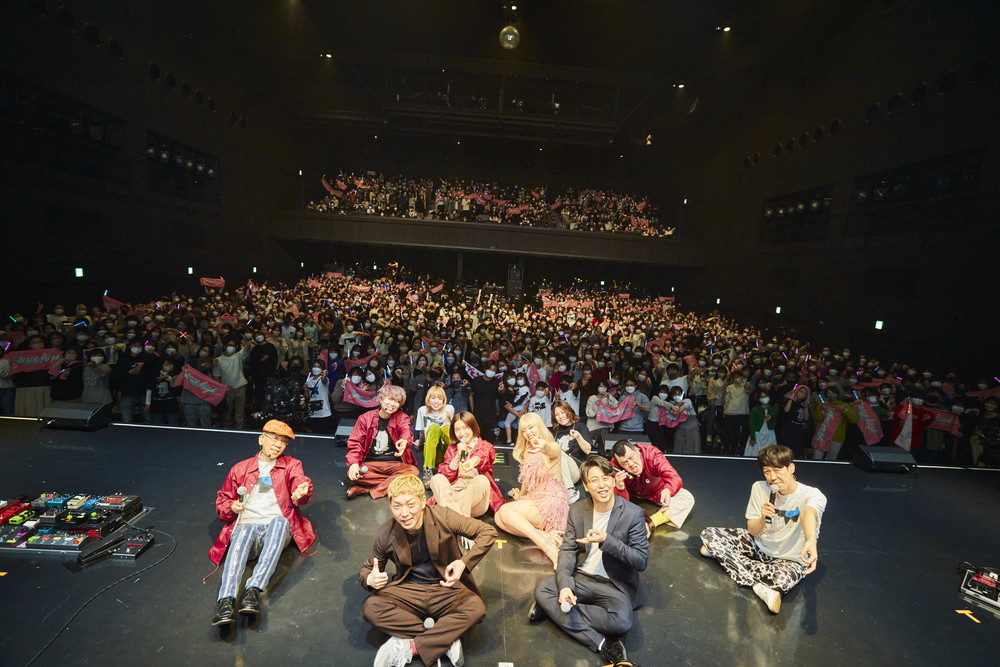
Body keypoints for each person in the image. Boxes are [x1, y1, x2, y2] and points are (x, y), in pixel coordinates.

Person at [361, 474, 497, 667]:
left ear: (423, 502)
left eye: (410, 505)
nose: (404, 513)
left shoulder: (443, 516)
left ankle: (410, 645)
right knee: (371, 607)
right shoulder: (386, 532)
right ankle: (445, 640)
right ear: (390, 506)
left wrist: (463, 563)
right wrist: (370, 580)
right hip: (409, 589)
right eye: (397, 506)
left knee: (476, 608)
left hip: (445, 587)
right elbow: (368, 569)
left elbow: (487, 532)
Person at [530, 455, 648, 666]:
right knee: (543, 589)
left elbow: (640, 561)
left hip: (613, 585)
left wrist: (607, 541)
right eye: (594, 480)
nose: (601, 485)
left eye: (605, 478)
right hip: (582, 577)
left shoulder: (633, 514)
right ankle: (601, 643)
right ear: (586, 485)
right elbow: (567, 550)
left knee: (621, 622)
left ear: (613, 480)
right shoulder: (577, 510)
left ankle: (553, 610)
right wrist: (565, 586)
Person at [209, 420, 315, 626]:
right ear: (261, 440)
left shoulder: (291, 465)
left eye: (283, 442)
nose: (278, 445)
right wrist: (232, 507)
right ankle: (226, 601)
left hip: (274, 529)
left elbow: (300, 481)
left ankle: (253, 591)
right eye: (274, 439)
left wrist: (302, 489)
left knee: (280, 523)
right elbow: (223, 501)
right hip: (247, 525)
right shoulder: (240, 468)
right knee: (246, 528)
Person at [700, 444, 826, 614]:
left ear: (791, 468)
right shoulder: (759, 487)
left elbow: (807, 513)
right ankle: (758, 585)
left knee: (781, 581)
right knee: (709, 534)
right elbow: (752, 530)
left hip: (790, 559)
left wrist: (811, 540)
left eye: (777, 470)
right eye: (767, 471)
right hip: (760, 546)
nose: (772, 477)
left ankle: (725, 557)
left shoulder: (813, 495)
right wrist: (762, 519)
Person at [494, 412, 570, 567]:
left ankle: (549, 548)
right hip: (535, 499)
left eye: (531, 427)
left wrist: (544, 446)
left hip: (551, 502)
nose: (527, 432)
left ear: (540, 427)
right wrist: (520, 496)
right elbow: (527, 480)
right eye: (523, 430)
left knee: (505, 512)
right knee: (498, 518)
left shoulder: (551, 446)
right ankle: (548, 537)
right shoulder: (528, 450)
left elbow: (552, 449)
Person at [345, 384, 420, 499]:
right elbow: (355, 443)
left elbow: (406, 431)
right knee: (353, 473)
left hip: (395, 463)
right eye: (390, 399)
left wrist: (404, 441)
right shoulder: (365, 418)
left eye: (397, 401)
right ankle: (397, 483)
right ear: (381, 399)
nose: (392, 404)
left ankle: (367, 489)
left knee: (413, 472)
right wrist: (354, 464)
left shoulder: (402, 417)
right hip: (371, 463)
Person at [610, 439, 696, 537]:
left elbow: (673, 476)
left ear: (637, 451)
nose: (631, 464)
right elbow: (618, 501)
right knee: (610, 503)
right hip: (631, 496)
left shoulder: (652, 454)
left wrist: (668, 490)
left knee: (686, 497)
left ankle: (650, 524)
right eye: (624, 463)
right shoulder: (614, 466)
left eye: (632, 457)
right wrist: (620, 487)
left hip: (657, 492)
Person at [428, 411, 504, 518]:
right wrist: (457, 457)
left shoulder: (485, 445)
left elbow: (485, 455)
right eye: (457, 429)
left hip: (475, 500)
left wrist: (474, 461)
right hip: (454, 495)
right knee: (436, 479)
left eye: (465, 428)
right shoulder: (452, 448)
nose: (462, 433)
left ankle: (451, 517)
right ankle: (460, 521)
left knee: (482, 480)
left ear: (473, 427)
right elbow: (445, 476)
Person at [415, 385, 455, 482]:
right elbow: (422, 432)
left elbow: (448, 411)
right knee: (434, 427)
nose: (436, 401)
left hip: (446, 450)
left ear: (443, 400)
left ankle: (457, 460)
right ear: (428, 399)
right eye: (433, 398)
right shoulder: (422, 410)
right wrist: (420, 443)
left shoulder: (448, 408)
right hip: (430, 451)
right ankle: (428, 470)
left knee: (440, 427)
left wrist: (444, 415)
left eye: (439, 399)